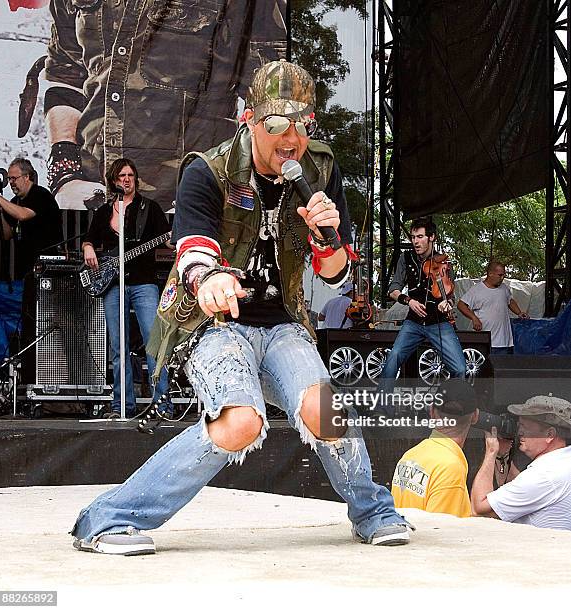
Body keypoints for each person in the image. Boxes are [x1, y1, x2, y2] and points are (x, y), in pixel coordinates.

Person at [70, 60, 412, 555]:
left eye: (301, 123)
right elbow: (194, 247)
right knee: (240, 423)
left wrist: (328, 237)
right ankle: (104, 520)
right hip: (214, 324)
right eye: (276, 124)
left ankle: (373, 511)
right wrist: (208, 279)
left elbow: (336, 274)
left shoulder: (320, 171)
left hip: (282, 323)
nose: (290, 136)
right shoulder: (206, 170)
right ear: (248, 121)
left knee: (325, 410)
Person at [39, 0, 286, 210]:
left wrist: (226, 191)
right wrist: (65, 176)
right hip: (94, 201)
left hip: (189, 207)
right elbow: (65, 76)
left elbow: (273, 100)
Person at [82, 158, 171, 418]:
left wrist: (177, 241)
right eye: (122, 175)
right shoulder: (104, 212)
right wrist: (88, 247)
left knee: (153, 344)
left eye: (131, 174)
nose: (127, 179)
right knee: (118, 348)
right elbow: (89, 239)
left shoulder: (149, 208)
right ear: (113, 180)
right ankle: (122, 406)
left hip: (144, 284)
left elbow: (166, 240)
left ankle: (162, 405)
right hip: (114, 286)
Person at [380, 218, 466, 382]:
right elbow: (393, 290)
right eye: (413, 237)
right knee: (394, 357)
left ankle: (454, 405)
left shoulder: (444, 262)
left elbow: (450, 296)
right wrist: (409, 301)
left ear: (431, 237)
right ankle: (383, 406)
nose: (415, 241)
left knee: (460, 368)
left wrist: (446, 303)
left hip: (439, 322)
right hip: (413, 322)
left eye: (420, 237)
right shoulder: (405, 258)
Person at [471, 395, 571, 530]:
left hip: (538, 549)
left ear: (549, 435)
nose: (519, 432)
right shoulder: (562, 462)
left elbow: (479, 510)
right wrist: (503, 455)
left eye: (524, 426)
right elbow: (522, 487)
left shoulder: (544, 475)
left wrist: (491, 452)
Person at [391, 379, 479, 517]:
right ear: (475, 416)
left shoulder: (409, 455)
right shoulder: (451, 467)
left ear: (431, 411)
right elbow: (441, 532)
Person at [0, 158, 63, 279]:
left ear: (26, 177)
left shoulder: (41, 194)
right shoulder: (15, 201)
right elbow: (7, 235)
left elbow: (23, 215)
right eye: (9, 178)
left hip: (46, 263)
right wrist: (0, 213)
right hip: (25, 263)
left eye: (14, 178)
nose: (11, 182)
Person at [458, 261, 529, 355]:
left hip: (505, 341)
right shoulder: (477, 290)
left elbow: (510, 301)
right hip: (486, 341)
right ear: (490, 273)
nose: (502, 278)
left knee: (504, 368)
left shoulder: (504, 288)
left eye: (503, 275)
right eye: (500, 275)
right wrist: (474, 318)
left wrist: (519, 312)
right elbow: (461, 304)